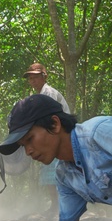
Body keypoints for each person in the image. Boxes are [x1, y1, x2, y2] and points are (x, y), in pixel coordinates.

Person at [21, 62, 71, 203]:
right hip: (51, 136)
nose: (32, 81)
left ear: (44, 76)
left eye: (35, 77)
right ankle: (55, 205)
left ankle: (60, 205)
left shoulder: (48, 93)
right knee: (49, 170)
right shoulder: (39, 95)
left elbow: (47, 117)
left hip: (60, 136)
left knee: (57, 171)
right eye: (30, 78)